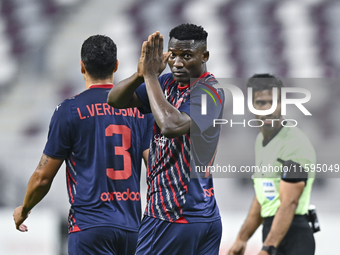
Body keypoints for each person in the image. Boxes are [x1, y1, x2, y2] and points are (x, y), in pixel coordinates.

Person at [13, 35, 154, 255]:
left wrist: (25, 209)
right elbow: (154, 166)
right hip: (133, 230)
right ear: (116, 66)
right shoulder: (140, 109)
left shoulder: (69, 110)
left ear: (82, 67)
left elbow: (42, 177)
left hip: (90, 228)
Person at [107, 23, 225, 255]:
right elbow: (115, 99)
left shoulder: (209, 91)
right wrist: (140, 74)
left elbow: (171, 125)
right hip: (201, 214)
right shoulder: (167, 83)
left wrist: (150, 77)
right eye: (173, 55)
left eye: (187, 56)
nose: (178, 63)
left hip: (171, 213)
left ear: (205, 56)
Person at [228, 74, 316, 255]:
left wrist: (268, 248)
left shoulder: (294, 144)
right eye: (261, 103)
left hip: (293, 236)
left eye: (274, 102)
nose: (268, 109)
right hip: (273, 232)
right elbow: (263, 197)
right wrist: (243, 237)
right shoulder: (262, 140)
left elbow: (289, 203)